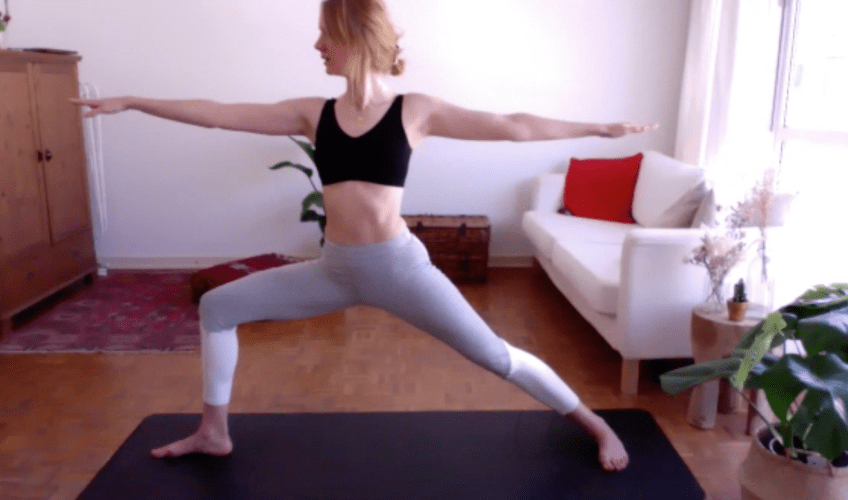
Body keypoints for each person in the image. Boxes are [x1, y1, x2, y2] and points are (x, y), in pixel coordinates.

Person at [72, 0, 657, 473]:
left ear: (353, 37)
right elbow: (219, 112)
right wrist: (135, 102)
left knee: (497, 357)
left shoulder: (415, 110)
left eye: (324, 35)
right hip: (335, 269)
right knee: (219, 307)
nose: (317, 46)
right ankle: (213, 431)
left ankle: (595, 424)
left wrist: (598, 128)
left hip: (399, 270)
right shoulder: (312, 113)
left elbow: (511, 126)